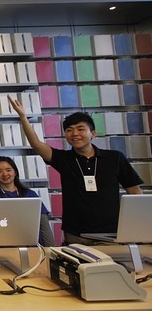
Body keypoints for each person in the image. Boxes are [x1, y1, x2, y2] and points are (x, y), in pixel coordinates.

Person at [8, 95, 143, 245]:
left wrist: (137, 230)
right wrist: (23, 117)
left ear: (93, 133)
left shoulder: (114, 158)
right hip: (75, 233)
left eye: (80, 129)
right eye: (69, 130)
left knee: (111, 268)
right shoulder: (64, 159)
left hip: (111, 232)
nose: (74, 134)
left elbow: (136, 194)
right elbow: (36, 144)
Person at [0, 153, 55, 247]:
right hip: (5, 248)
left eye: (8, 170)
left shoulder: (30, 194)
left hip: (34, 248)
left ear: (15, 172)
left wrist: (50, 250)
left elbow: (44, 227)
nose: (5, 174)